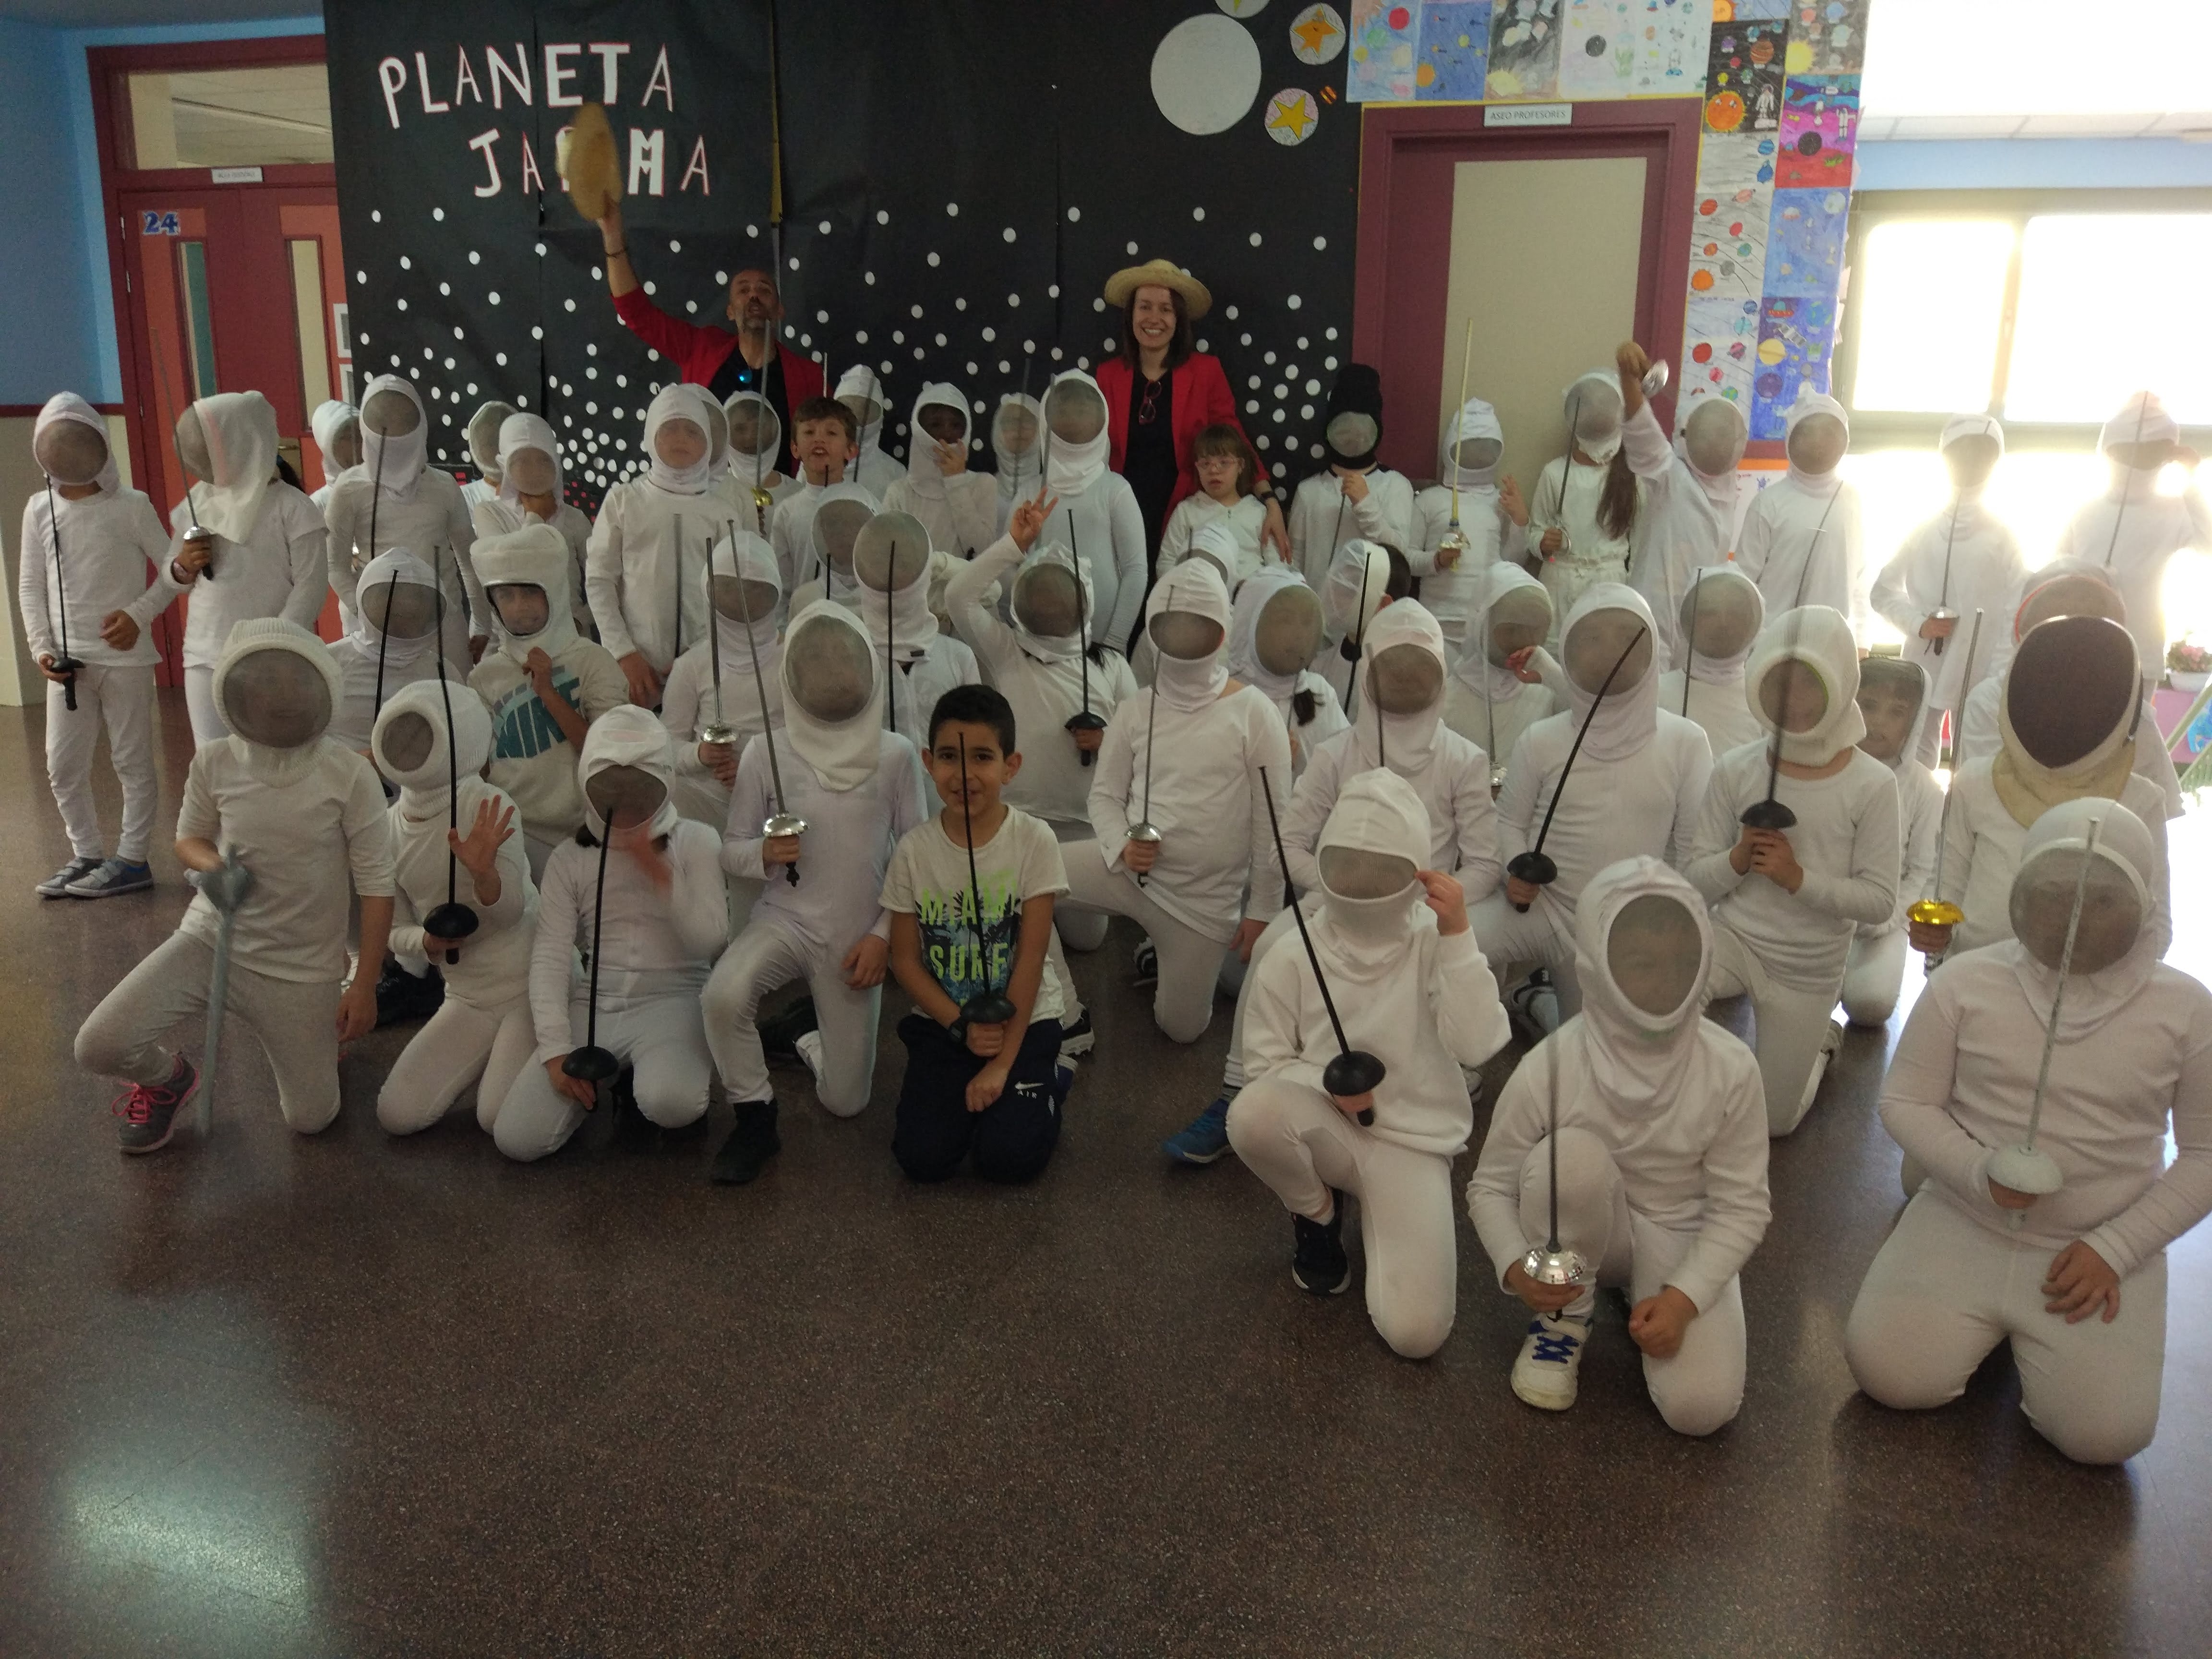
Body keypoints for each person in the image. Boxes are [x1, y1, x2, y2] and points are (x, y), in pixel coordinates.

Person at [1846, 798, 2212, 1466]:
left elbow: (2206, 1155)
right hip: (1964, 1216)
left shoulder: (2187, 1009)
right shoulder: (1966, 981)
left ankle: (2033, 1344)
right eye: (2054, 891)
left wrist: (2117, 1247)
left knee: (2104, 1438)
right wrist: (1977, 1174)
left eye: (2102, 898)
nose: (2074, 915)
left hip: (2094, 1250)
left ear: (2144, 896)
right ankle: (1985, 1330)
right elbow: (1905, 1102)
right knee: (1889, 1374)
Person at [1172, 599, 1499, 1165]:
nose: (1404, 681)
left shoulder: (1462, 759)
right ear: (1368, 669)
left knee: (1453, 972)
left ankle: (1430, 1077)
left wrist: (1432, 903)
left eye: (1417, 669)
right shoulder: (1336, 753)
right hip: (1334, 905)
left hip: (1420, 915)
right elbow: (1288, 844)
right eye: (1392, 668)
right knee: (1272, 948)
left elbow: (1486, 862)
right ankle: (1235, 1093)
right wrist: (1336, 889)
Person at [1467, 858, 1769, 1431]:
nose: (1665, 981)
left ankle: (1647, 1287)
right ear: (1597, 967)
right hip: (1580, 1233)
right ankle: (1564, 1320)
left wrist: (1684, 1298)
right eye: (1641, 964)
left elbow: (1743, 1207)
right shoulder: (1553, 1064)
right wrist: (1515, 1267)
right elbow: (1490, 1187)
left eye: (1682, 961)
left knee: (1700, 1411)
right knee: (1570, 1162)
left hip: (1680, 1229)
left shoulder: (1731, 1068)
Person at [75, 620, 392, 1152]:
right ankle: (170, 1079)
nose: (282, 698)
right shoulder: (215, 760)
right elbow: (189, 839)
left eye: (295, 683)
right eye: (265, 683)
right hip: (210, 940)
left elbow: (378, 885)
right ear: (237, 691)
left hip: (301, 970)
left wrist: (363, 985)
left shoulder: (349, 774)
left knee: (312, 1119)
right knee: (99, 1045)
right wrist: (215, 865)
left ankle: (317, 1039)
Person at [1227, 769, 1510, 1356]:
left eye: (1380, 870)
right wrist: (1325, 1085)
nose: (1363, 881)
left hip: (1411, 1142)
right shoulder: (1292, 950)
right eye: (1349, 866)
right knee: (1253, 1116)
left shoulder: (1437, 941)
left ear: (1418, 872)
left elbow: (1479, 1045)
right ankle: (1317, 1213)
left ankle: (1371, 1209)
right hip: (1323, 1125)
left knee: (1416, 1336)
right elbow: (1261, 1069)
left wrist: (1459, 936)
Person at [702, 601, 932, 1184]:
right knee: (722, 997)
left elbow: (917, 855)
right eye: (818, 660)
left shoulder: (896, 754)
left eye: (843, 660)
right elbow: (730, 847)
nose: (832, 672)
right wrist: (763, 853)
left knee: (846, 1102)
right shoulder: (765, 752)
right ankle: (755, 1116)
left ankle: (802, 1033)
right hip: (786, 921)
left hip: (858, 939)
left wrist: (883, 936)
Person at [1686, 605, 1899, 1134]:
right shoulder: (1735, 768)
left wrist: (1796, 878)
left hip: (1808, 967)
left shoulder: (1873, 785)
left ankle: (1819, 1047)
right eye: (1781, 683)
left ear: (1841, 683)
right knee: (1666, 988)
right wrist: (1737, 860)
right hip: (1733, 941)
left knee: (1773, 1123)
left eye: (1810, 684)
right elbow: (1692, 879)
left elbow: (1879, 902)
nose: (1794, 700)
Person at [944, 493, 1141, 1057]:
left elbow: (1146, 746)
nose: (1052, 601)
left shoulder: (1111, 665)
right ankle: (1068, 1015)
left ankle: (1028, 928)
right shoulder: (1006, 653)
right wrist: (1013, 546)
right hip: (1022, 826)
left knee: (1087, 938)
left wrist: (1107, 738)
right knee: (1025, 908)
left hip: (1086, 830)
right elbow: (958, 595)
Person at [1066, 561, 1292, 1044]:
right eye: (1173, 625)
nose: (1184, 635)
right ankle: (1061, 1008)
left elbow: (1273, 826)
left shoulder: (1256, 714)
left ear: (1223, 633)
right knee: (1028, 874)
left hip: (1202, 906)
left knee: (1181, 1030)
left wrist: (1263, 910)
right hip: (1127, 875)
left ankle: (1162, 955)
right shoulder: (1135, 709)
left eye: (1197, 626)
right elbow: (1104, 796)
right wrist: (1123, 844)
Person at [495, 708, 728, 1162]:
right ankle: (618, 1077)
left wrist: (657, 872)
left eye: (638, 788)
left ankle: (650, 1074)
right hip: (596, 1003)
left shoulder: (698, 840)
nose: (625, 801)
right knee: (517, 1139)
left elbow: (710, 941)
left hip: (677, 998)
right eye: (612, 788)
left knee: (672, 1104)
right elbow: (551, 956)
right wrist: (555, 1051)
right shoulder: (571, 857)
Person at [1474, 585, 1712, 1027]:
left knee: (1596, 1043)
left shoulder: (1687, 743)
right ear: (1569, 651)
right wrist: (1514, 872)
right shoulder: (1542, 739)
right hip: (1542, 909)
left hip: (1626, 927)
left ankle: (1535, 1000)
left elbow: (1690, 852)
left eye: (1624, 636)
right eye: (1592, 638)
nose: (1608, 650)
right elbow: (1508, 822)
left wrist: (1660, 925)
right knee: (1444, 944)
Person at [884, 684, 1072, 1183]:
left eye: (982, 758)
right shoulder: (912, 851)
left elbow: (1029, 960)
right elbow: (905, 961)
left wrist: (1001, 1064)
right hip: (946, 1023)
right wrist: (961, 1026)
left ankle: (1050, 1081)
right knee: (922, 1159)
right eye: (949, 756)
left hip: (1025, 1022)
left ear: (1011, 766)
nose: (964, 775)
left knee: (1008, 1160)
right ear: (928, 762)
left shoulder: (1035, 840)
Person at [1911, 614, 2172, 964]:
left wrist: (2108, 993)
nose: (2062, 711)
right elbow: (1946, 884)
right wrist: (1933, 931)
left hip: (2094, 989)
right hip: (1980, 974)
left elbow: (2154, 927)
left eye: (2086, 695)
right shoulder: (1975, 782)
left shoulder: (2141, 801)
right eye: (2046, 692)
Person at [368, 678, 539, 1137]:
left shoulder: (488, 804)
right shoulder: (386, 827)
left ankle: (563, 1038)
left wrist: (485, 875)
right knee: (397, 1115)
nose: (409, 746)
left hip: (532, 986)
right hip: (466, 995)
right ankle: (506, 1059)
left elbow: (511, 914)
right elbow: (391, 928)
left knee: (497, 1118)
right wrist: (424, 942)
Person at [19, 394, 172, 900]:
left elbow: (175, 571)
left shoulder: (132, 506)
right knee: (62, 765)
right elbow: (31, 586)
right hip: (69, 666)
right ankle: (86, 853)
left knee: (132, 761)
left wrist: (137, 615)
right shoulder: (39, 509)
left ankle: (133, 859)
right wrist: (42, 650)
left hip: (126, 661)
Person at [161, 391, 330, 745]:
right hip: (204, 653)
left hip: (272, 659)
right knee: (211, 759)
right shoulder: (198, 500)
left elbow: (310, 588)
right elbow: (174, 579)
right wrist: (183, 566)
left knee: (270, 757)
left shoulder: (294, 507)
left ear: (243, 441)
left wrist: (271, 643)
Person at [1953, 562, 2185, 819]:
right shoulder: (1989, 702)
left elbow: (2164, 809)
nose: (2070, 648)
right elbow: (1985, 801)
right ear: (2028, 636)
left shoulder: (2130, 711)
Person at [595, 201, 825, 459]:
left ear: (780, 310)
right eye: (743, 290)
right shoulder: (701, 348)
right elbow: (636, 312)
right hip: (707, 485)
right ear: (730, 311)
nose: (754, 296)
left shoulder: (810, 377)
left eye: (764, 290)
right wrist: (612, 236)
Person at [1094, 256, 1284, 560]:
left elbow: (1233, 437)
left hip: (1185, 514)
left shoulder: (1206, 371)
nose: (1154, 318)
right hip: (1119, 515)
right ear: (1131, 315)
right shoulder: (1107, 375)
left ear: (1179, 319)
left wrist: (1270, 499)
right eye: (1145, 307)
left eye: (1166, 309)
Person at [470, 524, 631, 879]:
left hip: (588, 832)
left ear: (553, 591)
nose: (518, 607)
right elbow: (479, 768)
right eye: (505, 596)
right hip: (514, 834)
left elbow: (611, 756)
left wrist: (548, 692)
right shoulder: (484, 676)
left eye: (530, 593)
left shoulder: (593, 661)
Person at [1868, 415, 2024, 764]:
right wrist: (1919, 623)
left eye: (1981, 454)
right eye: (1961, 452)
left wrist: (2001, 672)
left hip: (1982, 667)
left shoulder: (2003, 538)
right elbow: (1882, 592)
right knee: (1913, 754)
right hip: (1925, 661)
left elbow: (2017, 611)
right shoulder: (1923, 531)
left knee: (1975, 756)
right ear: (1945, 458)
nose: (1970, 462)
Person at [324, 375, 484, 667]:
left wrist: (482, 624)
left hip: (444, 627)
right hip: (377, 632)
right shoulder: (349, 488)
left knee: (450, 695)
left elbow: (469, 561)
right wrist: (369, 615)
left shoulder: (444, 486)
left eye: (404, 423)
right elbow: (335, 566)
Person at [2050, 390, 2212, 680]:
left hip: (2141, 654)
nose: (2137, 458)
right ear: (2110, 450)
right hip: (2079, 646)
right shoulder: (2085, 511)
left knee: (2136, 714)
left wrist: (2192, 480)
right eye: (2129, 450)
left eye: (2150, 451)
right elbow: (2055, 575)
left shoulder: (2174, 509)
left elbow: (2208, 545)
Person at [586, 383, 728, 708]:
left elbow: (731, 596)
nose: (681, 439)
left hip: (704, 671)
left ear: (708, 443)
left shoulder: (722, 513)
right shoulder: (624, 501)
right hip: (634, 673)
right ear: (651, 436)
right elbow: (599, 580)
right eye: (670, 429)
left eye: (692, 431)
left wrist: (703, 655)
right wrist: (624, 653)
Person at [1617, 345, 1749, 669]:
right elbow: (1641, 428)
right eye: (1708, 433)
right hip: (1653, 617)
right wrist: (1628, 375)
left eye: (1723, 435)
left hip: (1699, 628)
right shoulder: (1670, 474)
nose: (1715, 443)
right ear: (1686, 435)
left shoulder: (1729, 491)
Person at [661, 529, 784, 835]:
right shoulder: (692, 666)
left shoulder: (794, 658)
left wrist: (759, 773)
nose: (742, 601)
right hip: (705, 800)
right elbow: (665, 747)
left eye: (755, 592)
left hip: (781, 797)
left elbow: (812, 740)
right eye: (729, 591)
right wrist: (701, 755)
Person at [1841, 658, 1942, 1028]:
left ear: (1914, 721)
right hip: (1821, 911)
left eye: (1897, 712)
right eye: (1868, 705)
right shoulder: (1826, 767)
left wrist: (1884, 920)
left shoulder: (1925, 790)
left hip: (1883, 920)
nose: (1879, 721)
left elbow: (1921, 870)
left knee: (1870, 1003)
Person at [1287, 365, 1415, 625]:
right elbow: (1294, 561)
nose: (1353, 437)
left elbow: (1400, 556)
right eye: (1344, 428)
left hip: (1370, 623)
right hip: (1315, 622)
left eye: (1362, 428)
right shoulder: (1309, 491)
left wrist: (1366, 506)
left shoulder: (1396, 485)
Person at [1735, 390, 1866, 637]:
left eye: (1827, 435)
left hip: (1833, 641)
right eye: (1809, 434)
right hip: (1771, 641)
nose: (1818, 444)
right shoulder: (1769, 503)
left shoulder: (1852, 499)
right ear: (1791, 439)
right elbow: (1743, 583)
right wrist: (1754, 642)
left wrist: (1861, 638)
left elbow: (1859, 575)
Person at [1525, 369, 1646, 636]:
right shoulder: (1554, 473)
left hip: (1610, 586)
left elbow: (1641, 548)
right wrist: (1542, 543)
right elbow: (1534, 532)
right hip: (1560, 582)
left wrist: (1634, 598)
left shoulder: (1632, 477)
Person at [1037, 370, 1149, 650]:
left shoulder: (1115, 490)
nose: (1073, 419)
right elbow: (1009, 566)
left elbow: (1136, 570)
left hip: (1103, 644)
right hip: (1037, 641)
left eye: (1082, 410)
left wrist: (1115, 643)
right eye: (1063, 410)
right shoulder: (1031, 492)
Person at [854, 511, 981, 752]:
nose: (893, 572)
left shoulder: (959, 658)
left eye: (906, 562)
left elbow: (975, 744)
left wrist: (938, 562)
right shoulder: (853, 663)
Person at [1411, 395, 1529, 648]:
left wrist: (1520, 521)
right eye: (1469, 447)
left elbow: (1512, 566)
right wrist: (1437, 560)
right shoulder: (1429, 500)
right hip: (1434, 624)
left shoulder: (1501, 501)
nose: (1477, 455)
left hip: (1484, 624)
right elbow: (1407, 558)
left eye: (1485, 448)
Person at [469, 413, 593, 639]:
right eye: (522, 461)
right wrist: (536, 517)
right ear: (505, 464)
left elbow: (603, 579)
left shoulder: (574, 519)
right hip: (510, 642)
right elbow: (509, 570)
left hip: (570, 641)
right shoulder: (489, 513)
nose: (534, 470)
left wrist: (580, 620)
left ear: (556, 462)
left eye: (543, 460)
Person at [1223, 567, 1347, 780]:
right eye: (1285, 621)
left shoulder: (1320, 693)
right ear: (1250, 621)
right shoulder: (1226, 699)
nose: (1298, 635)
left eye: (1305, 622)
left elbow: (1345, 770)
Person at [1442, 565, 1558, 777]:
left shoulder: (1549, 693)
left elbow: (1593, 720)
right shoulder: (1447, 700)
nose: (1524, 639)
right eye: (1512, 630)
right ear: (1482, 624)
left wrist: (1554, 676)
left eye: (1535, 630)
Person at [326, 547, 445, 754]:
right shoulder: (329, 664)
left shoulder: (442, 672)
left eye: (413, 611)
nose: (403, 615)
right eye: (395, 608)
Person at [1654, 565, 1766, 759]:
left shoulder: (1763, 702)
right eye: (1709, 613)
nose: (1722, 623)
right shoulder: (1656, 693)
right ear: (1690, 618)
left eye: (1735, 614)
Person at [880, 382, 999, 562]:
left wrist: (956, 482)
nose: (947, 433)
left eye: (956, 425)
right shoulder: (899, 492)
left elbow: (982, 551)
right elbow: (887, 557)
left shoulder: (984, 484)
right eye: (935, 425)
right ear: (919, 429)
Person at [770, 399, 866, 603]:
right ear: (795, 448)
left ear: (851, 450)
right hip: (803, 613)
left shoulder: (865, 505)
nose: (819, 440)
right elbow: (781, 583)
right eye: (809, 432)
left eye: (831, 433)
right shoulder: (787, 512)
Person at [1158, 423, 1270, 588]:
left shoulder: (1258, 512)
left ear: (1240, 466)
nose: (1214, 471)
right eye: (1205, 464)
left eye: (1224, 463)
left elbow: (1277, 564)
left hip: (1253, 595)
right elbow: (1167, 560)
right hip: (1200, 595)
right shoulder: (1187, 511)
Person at [834, 365, 902, 499]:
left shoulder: (895, 472)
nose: (856, 417)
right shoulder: (815, 462)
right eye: (848, 408)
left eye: (864, 410)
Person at [461, 400, 517, 514]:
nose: (499, 449)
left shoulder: (535, 493)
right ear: (477, 446)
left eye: (504, 441)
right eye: (491, 443)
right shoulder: (464, 497)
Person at [307, 397, 360, 513]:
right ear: (328, 447)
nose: (358, 445)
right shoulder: (318, 506)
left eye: (360, 434)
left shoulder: (387, 492)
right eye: (347, 437)